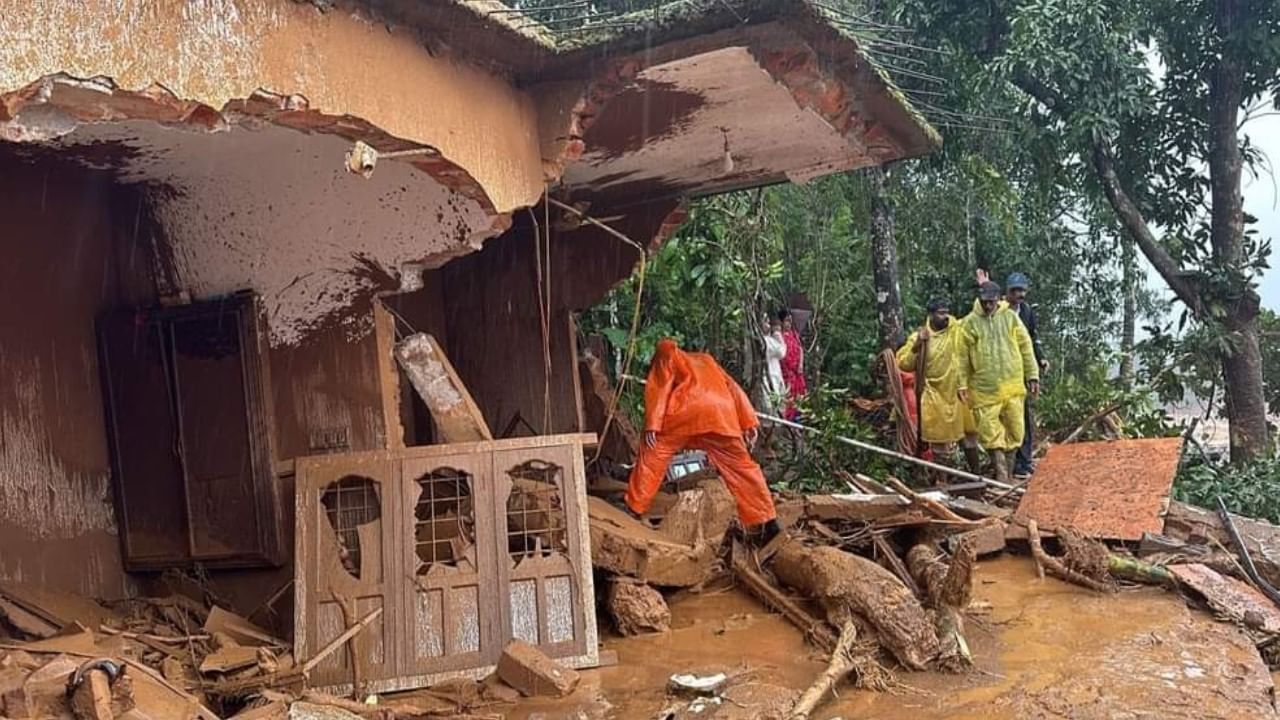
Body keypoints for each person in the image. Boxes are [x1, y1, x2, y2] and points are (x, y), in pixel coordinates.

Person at [625, 339, 780, 543]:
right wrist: (748, 422)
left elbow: (660, 385)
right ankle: (768, 520)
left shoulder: (667, 351)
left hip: (685, 412)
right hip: (721, 416)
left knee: (654, 452)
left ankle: (634, 507)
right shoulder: (708, 361)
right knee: (743, 468)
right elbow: (732, 388)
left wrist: (653, 424)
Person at [959, 281, 1040, 484]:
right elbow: (961, 358)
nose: (988, 306)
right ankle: (1002, 477)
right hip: (984, 389)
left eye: (991, 302)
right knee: (990, 433)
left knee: (1016, 431)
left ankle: (1009, 476)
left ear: (998, 300)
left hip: (1012, 385)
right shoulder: (970, 323)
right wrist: (961, 384)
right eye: (984, 302)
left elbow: (1025, 346)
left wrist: (1032, 375)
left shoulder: (1010, 317)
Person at [896, 298, 966, 470]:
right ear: (931, 315)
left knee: (955, 440)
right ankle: (936, 476)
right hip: (931, 395)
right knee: (935, 440)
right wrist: (917, 346)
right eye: (941, 313)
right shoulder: (919, 337)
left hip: (953, 393)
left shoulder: (955, 331)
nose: (946, 317)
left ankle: (946, 474)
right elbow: (904, 364)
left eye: (947, 313)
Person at [1005, 272, 1048, 479]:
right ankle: (1009, 462)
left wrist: (1040, 359)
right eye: (1015, 291)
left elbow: (1032, 338)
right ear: (1007, 292)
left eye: (1022, 290)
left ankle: (1024, 461)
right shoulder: (1000, 311)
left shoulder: (1027, 312)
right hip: (1003, 371)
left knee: (1024, 415)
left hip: (1022, 369)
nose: (1019, 294)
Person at [778, 309, 807, 420]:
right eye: (786, 321)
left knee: (800, 398)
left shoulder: (794, 335)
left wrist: (800, 364)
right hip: (787, 373)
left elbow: (800, 349)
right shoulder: (779, 336)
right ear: (781, 322)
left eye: (790, 321)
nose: (788, 324)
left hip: (797, 373)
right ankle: (789, 423)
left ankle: (799, 422)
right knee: (789, 398)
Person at [762, 315, 787, 413]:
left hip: (774, 375)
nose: (768, 326)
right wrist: (777, 334)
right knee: (770, 407)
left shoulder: (769, 339)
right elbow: (781, 352)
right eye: (766, 323)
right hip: (768, 377)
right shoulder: (764, 340)